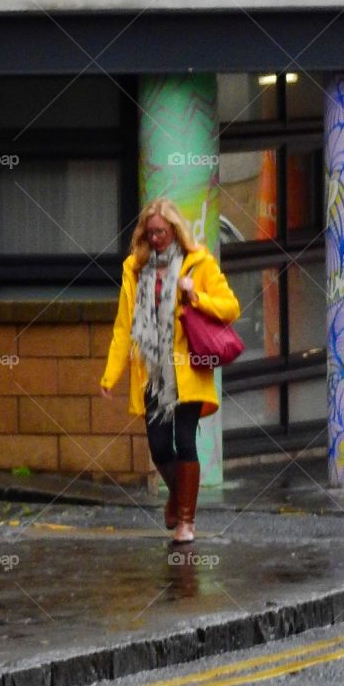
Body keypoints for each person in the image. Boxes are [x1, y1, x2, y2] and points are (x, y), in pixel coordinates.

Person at [100, 198, 240, 544]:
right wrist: (110, 375)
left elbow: (231, 308)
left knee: (185, 441)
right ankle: (178, 497)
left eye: (162, 232)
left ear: (174, 230)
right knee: (160, 447)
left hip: (188, 369)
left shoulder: (199, 263)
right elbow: (123, 326)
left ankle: (186, 523)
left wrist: (196, 298)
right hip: (152, 371)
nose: (157, 239)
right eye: (151, 234)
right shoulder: (134, 268)